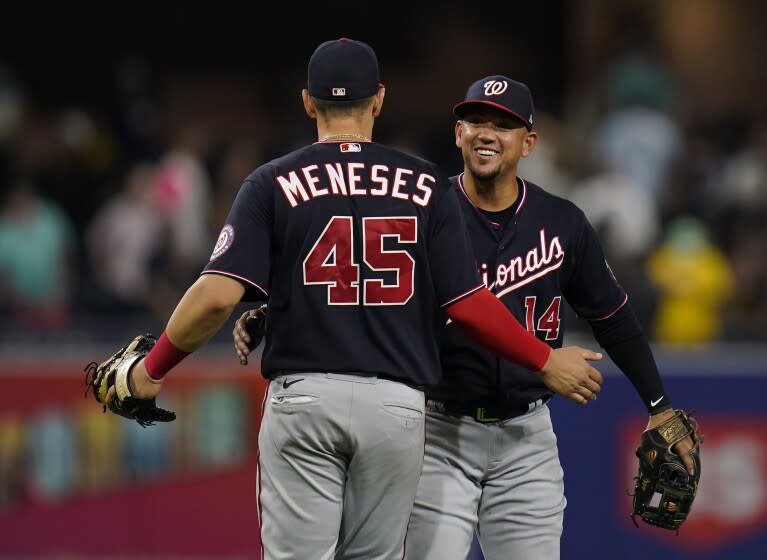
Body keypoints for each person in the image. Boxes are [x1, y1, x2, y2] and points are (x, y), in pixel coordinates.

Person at [108, 42, 603, 560]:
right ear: (379, 100)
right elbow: (466, 304)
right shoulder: (428, 186)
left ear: (307, 102)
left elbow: (215, 299)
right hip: (397, 405)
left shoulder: (271, 181)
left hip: (305, 397)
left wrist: (151, 371)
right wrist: (543, 358)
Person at [235, 74, 699, 559]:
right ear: (457, 133)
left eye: (503, 124)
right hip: (439, 432)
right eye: (475, 120)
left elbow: (614, 318)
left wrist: (659, 405)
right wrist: (272, 312)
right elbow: (358, 279)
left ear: (529, 143)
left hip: (527, 437)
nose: (486, 133)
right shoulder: (422, 204)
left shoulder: (562, 223)